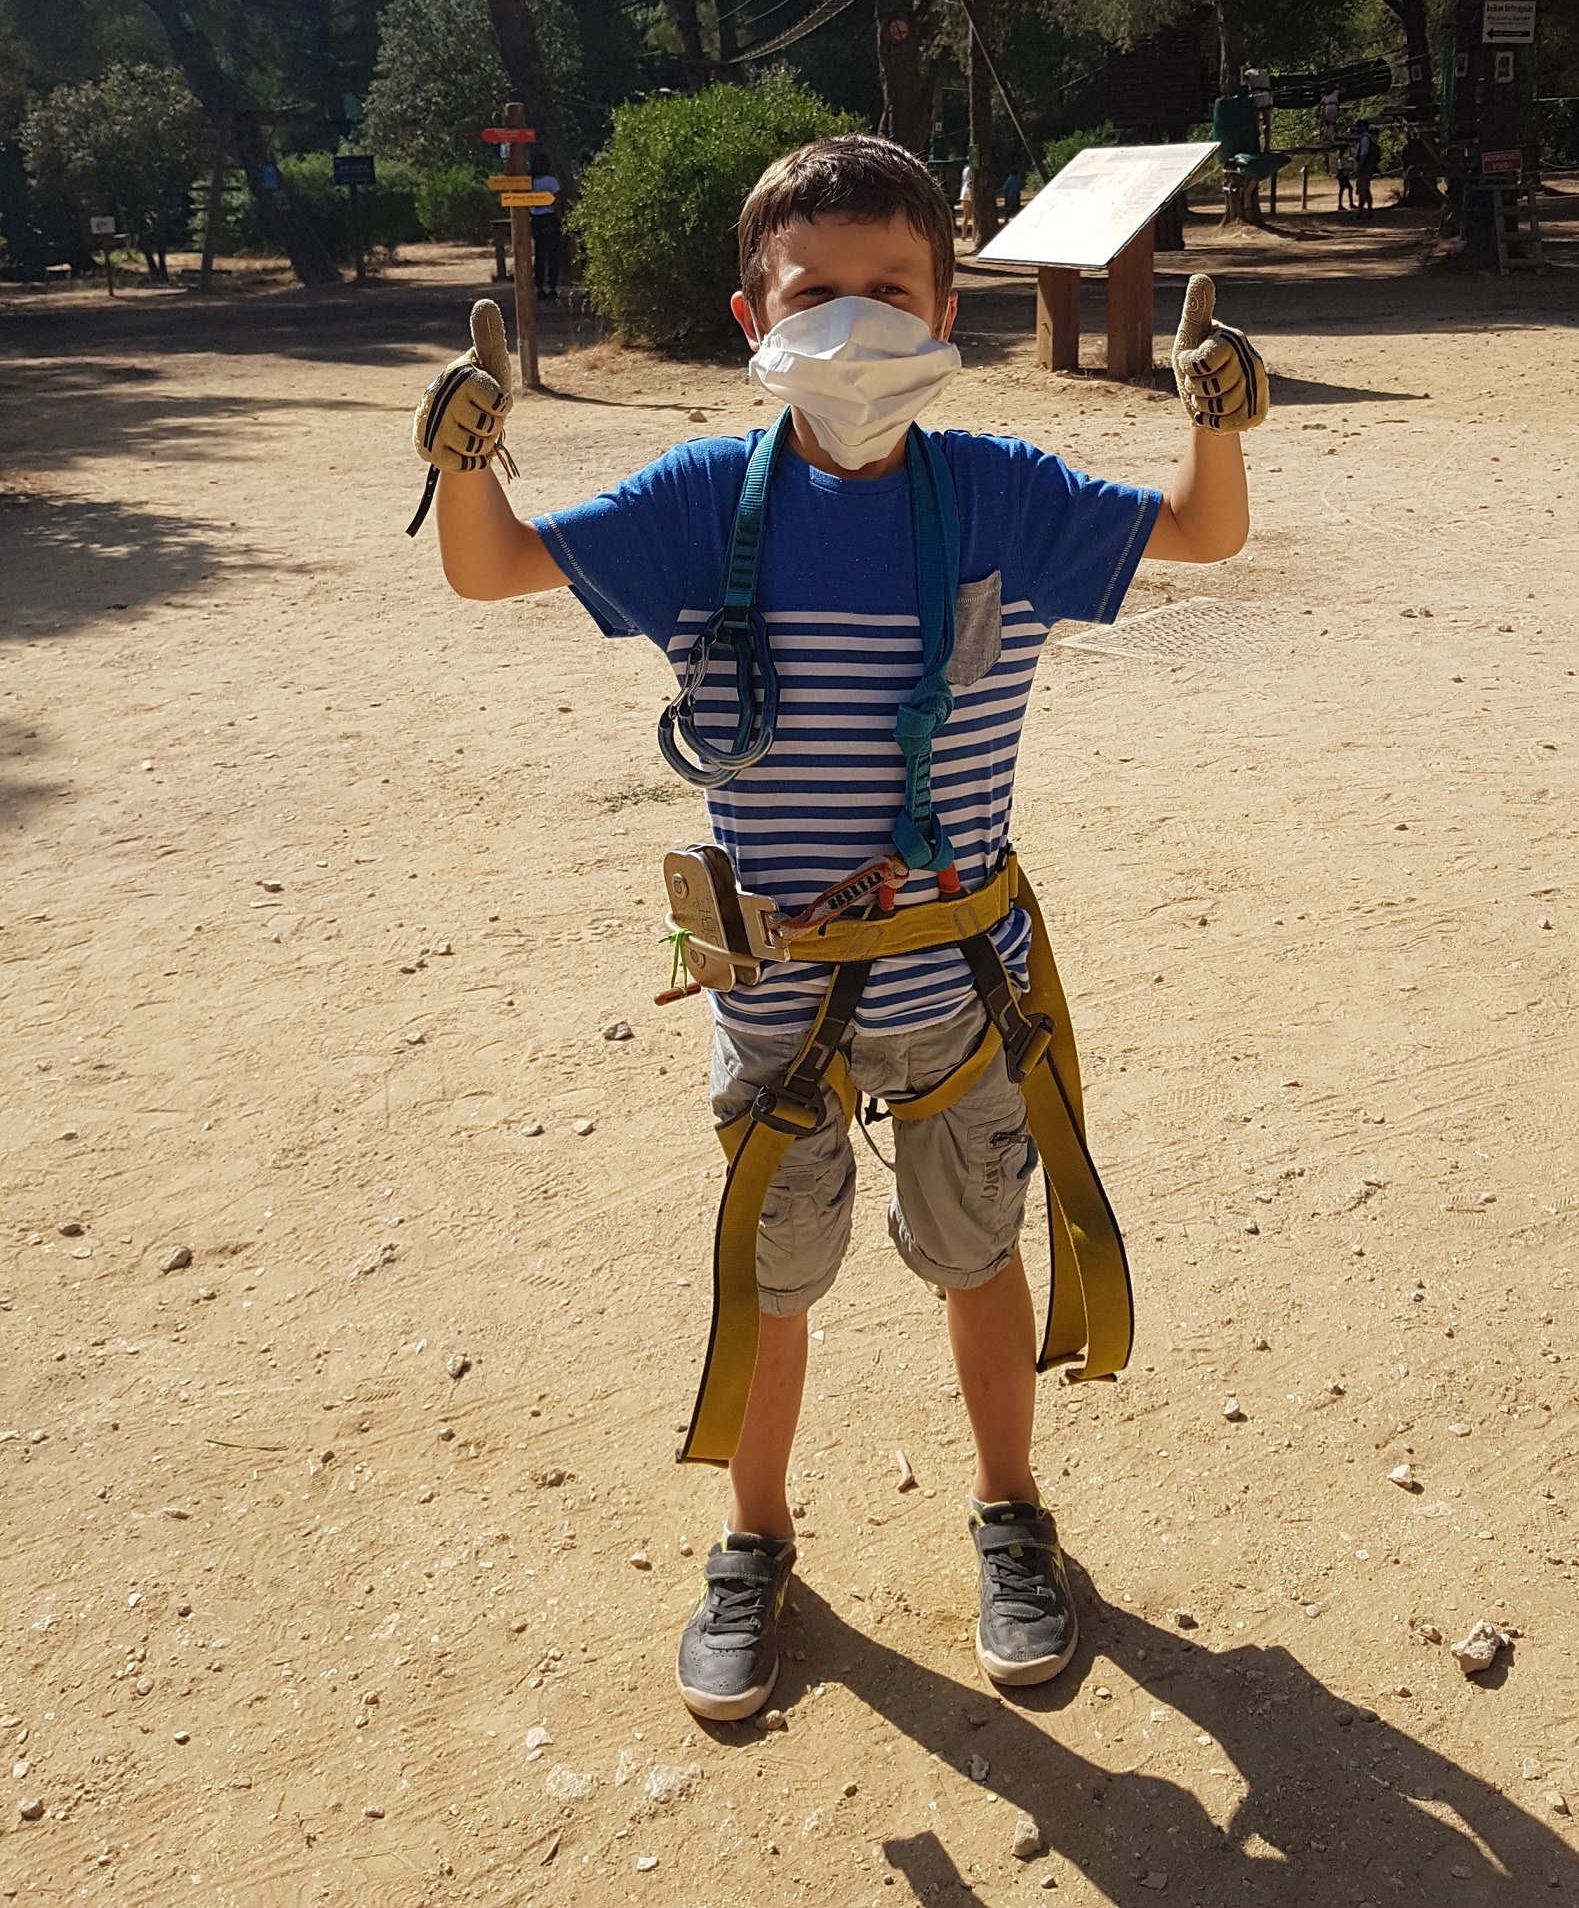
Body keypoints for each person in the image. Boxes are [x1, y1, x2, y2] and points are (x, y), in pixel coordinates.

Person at [410, 135, 1267, 1723]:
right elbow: (491, 570)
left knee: (977, 1252)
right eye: (819, 294)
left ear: (952, 311)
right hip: (776, 998)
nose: (856, 324)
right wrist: (468, 459)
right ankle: (754, 1541)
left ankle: (1012, 1516)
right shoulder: (692, 507)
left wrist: (1214, 429)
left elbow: (1201, 538)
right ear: (757, 317)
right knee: (772, 1274)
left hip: (961, 985)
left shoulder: (1001, 494)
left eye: (893, 291)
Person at [528, 150, 562, 300]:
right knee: (553, 255)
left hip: (536, 219)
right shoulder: (551, 181)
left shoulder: (531, 182)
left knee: (540, 254)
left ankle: (539, 286)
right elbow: (557, 201)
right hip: (550, 218)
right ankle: (553, 286)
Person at [1351, 122, 1380, 213]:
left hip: (1364, 168)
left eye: (1358, 127)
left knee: (1362, 189)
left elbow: (1363, 155)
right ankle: (1368, 211)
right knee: (1365, 189)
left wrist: (1359, 168)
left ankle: (1361, 211)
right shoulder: (1363, 139)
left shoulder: (1365, 139)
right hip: (1366, 168)